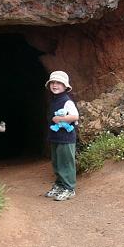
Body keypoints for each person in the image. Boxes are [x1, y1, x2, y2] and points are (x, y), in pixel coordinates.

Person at [44, 71, 79, 201]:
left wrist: (60, 119)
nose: (55, 85)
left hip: (66, 138)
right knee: (57, 163)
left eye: (59, 83)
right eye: (53, 82)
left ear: (65, 86)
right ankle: (59, 185)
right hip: (55, 137)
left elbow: (75, 116)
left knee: (66, 163)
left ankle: (69, 188)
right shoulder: (54, 100)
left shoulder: (67, 101)